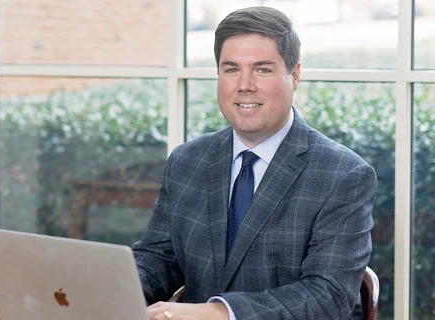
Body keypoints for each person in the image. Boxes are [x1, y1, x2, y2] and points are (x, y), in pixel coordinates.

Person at [133, 6, 376, 320]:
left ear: (295, 75)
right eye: (231, 69)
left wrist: (220, 313)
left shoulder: (343, 176)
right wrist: (115, 293)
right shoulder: (186, 161)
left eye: (262, 69)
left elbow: (327, 297)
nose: (244, 84)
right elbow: (157, 259)